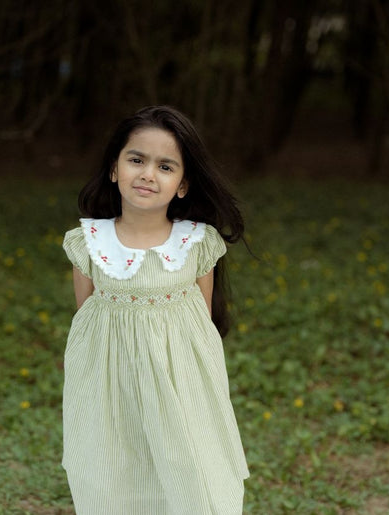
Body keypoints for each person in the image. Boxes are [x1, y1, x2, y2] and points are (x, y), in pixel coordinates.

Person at [61, 105, 249, 514]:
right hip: (110, 380)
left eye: (166, 167)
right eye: (136, 160)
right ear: (114, 170)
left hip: (181, 380)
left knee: (188, 465)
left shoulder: (195, 243)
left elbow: (201, 321)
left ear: (183, 185)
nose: (148, 174)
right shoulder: (89, 242)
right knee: (117, 466)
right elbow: (87, 318)